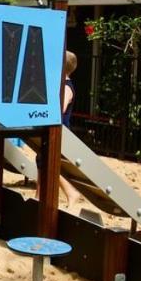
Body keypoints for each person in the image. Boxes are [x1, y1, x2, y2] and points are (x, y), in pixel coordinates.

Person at [59, 50, 82, 207]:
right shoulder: (63, 85)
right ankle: (38, 195)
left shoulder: (67, 87)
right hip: (57, 131)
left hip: (61, 132)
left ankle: (71, 193)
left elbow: (61, 108)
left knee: (48, 164)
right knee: (41, 162)